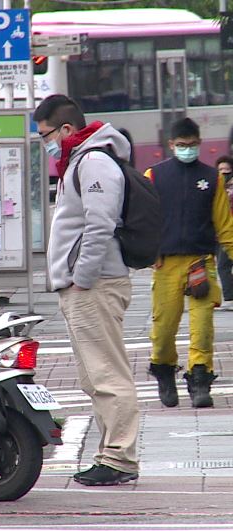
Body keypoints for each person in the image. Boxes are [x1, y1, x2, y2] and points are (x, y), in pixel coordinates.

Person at [34, 94, 139, 486]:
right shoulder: (78, 161)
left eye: (46, 135)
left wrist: (83, 276)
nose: (45, 143)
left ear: (66, 130)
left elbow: (100, 225)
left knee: (107, 374)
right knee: (95, 376)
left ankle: (120, 458)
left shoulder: (93, 161)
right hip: (85, 286)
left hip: (95, 286)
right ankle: (111, 454)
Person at [145, 119, 233, 409]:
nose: (187, 150)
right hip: (166, 265)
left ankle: (200, 379)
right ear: (171, 145)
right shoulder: (154, 176)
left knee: (203, 327)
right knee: (164, 330)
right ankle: (164, 371)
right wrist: (149, 251)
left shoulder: (212, 178)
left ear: (200, 143)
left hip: (201, 263)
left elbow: (225, 226)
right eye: (181, 146)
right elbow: (144, 219)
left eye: (192, 145)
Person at [215, 155, 233, 309]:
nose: (224, 173)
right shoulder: (215, 187)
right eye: (220, 170)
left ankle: (230, 296)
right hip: (220, 231)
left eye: (227, 170)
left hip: (228, 231)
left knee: (223, 265)